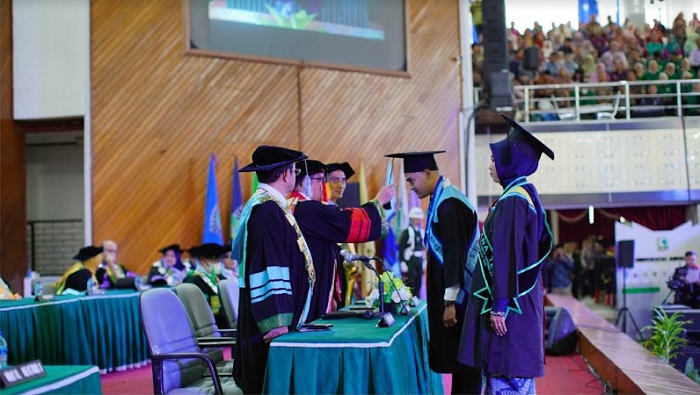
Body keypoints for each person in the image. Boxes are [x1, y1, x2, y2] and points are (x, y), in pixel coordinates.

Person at [459, 115, 554, 395]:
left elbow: (507, 253)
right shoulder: (524, 193)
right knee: (512, 375)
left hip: (509, 304)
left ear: (511, 161)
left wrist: (500, 304)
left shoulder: (514, 200)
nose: (490, 166)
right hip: (518, 295)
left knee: (507, 372)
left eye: (493, 159)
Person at [385, 150, 482, 394]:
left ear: (428, 173)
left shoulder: (449, 203)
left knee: (467, 364)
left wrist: (449, 302)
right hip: (458, 299)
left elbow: (454, 256)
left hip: (462, 302)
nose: (410, 188)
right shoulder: (443, 199)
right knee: (461, 364)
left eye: (411, 180)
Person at [231, 145, 315, 394]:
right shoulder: (267, 211)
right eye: (295, 170)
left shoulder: (269, 206)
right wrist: (276, 322)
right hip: (270, 326)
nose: (296, 175)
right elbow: (268, 267)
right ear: (287, 174)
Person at [293, 170, 393, 321]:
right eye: (319, 180)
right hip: (310, 288)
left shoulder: (291, 205)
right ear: (303, 182)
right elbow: (346, 223)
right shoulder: (306, 208)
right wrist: (377, 202)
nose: (323, 186)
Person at [183, 243, 230, 318]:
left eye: (220, 260)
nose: (219, 263)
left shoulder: (221, 278)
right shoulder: (192, 282)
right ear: (203, 260)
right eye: (215, 260)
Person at [399, 207, 426, 296]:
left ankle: (416, 298)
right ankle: (410, 299)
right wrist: (402, 262)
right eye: (415, 219)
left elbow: (423, 248)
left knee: (419, 281)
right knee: (411, 281)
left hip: (419, 259)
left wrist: (424, 261)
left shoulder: (421, 232)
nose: (416, 221)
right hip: (410, 259)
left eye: (418, 219)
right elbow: (401, 247)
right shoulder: (407, 232)